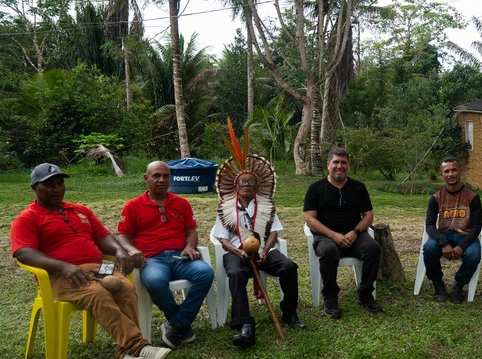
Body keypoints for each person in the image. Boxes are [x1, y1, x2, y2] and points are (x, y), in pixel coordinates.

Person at [10, 163, 171, 359]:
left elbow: (103, 237)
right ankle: (137, 346)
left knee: (124, 287)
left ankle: (125, 356)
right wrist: (62, 266)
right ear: (34, 188)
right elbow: (23, 252)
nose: (57, 189)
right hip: (62, 274)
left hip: (99, 267)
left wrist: (120, 251)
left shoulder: (80, 210)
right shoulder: (28, 217)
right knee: (98, 293)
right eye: (49, 185)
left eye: (60, 183)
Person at [117, 161, 215, 348]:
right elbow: (123, 236)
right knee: (155, 281)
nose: (162, 180)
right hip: (152, 259)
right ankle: (181, 324)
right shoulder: (133, 206)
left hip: (180, 257)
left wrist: (189, 246)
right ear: (146, 179)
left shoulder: (182, 203)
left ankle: (176, 325)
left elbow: (191, 231)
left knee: (205, 273)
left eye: (166, 176)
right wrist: (132, 250)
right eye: (156, 176)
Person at [211, 152, 305, 348]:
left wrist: (264, 250)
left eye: (250, 182)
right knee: (236, 273)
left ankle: (289, 312)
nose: (246, 185)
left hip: (264, 250)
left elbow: (274, 232)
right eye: (242, 182)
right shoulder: (226, 208)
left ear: (257, 187)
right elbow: (221, 238)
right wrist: (239, 253)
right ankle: (244, 324)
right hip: (237, 251)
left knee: (289, 267)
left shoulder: (266, 206)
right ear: (236, 186)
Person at [304, 148, 383, 319]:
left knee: (373, 248)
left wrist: (355, 232)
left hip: (354, 235)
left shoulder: (358, 187)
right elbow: (310, 219)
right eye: (336, 162)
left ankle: (365, 294)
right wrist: (333, 235)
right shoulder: (315, 188)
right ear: (328, 165)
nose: (339, 166)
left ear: (349, 165)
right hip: (326, 236)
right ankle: (331, 298)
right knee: (328, 251)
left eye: (343, 163)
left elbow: (368, 215)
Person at [423, 156, 482, 304]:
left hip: (465, 236)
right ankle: (438, 283)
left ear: (460, 171)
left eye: (454, 170)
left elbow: (476, 227)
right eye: (446, 171)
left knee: (474, 254)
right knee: (429, 248)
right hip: (444, 236)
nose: (451, 174)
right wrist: (443, 243)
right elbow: (430, 225)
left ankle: (459, 284)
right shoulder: (436, 198)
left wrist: (462, 246)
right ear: (441, 174)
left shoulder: (473, 197)